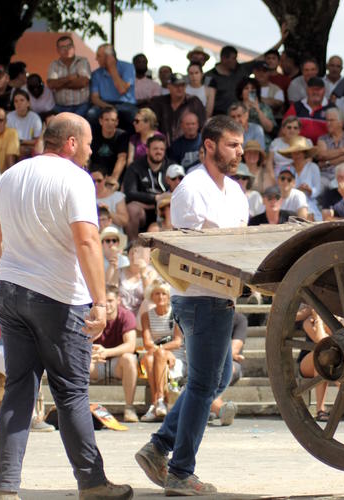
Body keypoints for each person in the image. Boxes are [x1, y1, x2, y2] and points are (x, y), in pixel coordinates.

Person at [0, 113, 133, 498]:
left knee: (19, 389)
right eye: (86, 143)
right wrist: (100, 302)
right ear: (69, 143)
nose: (89, 150)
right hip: (58, 297)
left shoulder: (11, 175)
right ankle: (93, 483)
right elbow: (87, 242)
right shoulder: (76, 178)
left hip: (11, 290)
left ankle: (5, 486)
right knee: (71, 392)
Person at [135, 115, 248, 496]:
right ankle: (180, 472)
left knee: (215, 379)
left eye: (241, 144)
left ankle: (158, 448)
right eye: (232, 144)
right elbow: (191, 250)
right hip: (200, 296)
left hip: (223, 298)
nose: (239, 151)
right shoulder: (190, 189)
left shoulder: (236, 191)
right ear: (209, 146)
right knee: (203, 384)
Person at [90, 285, 139, 423]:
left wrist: (106, 352)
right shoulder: (92, 315)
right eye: (104, 301)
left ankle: (129, 408)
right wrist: (90, 352)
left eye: (110, 300)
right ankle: (77, 409)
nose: (107, 304)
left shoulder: (126, 315)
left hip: (118, 364)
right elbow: (80, 341)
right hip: (96, 362)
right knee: (78, 360)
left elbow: (131, 345)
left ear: (118, 300)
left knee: (129, 359)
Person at [138, 281, 185, 423]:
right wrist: (161, 352)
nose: (160, 296)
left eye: (164, 293)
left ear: (169, 296)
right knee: (150, 359)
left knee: (154, 357)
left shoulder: (176, 313)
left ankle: (157, 402)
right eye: (157, 293)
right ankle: (159, 401)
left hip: (175, 355)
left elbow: (178, 342)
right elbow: (146, 342)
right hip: (156, 353)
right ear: (152, 296)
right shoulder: (146, 316)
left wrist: (162, 351)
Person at [123, 134, 168, 239]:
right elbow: (130, 193)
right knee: (132, 208)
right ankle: (133, 246)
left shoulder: (171, 166)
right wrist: (155, 198)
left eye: (162, 149)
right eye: (155, 148)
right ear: (147, 150)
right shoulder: (135, 167)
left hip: (165, 209)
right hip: (143, 212)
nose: (159, 152)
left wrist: (160, 202)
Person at [88, 44, 137, 134]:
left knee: (134, 116)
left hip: (125, 104)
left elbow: (122, 89)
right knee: (91, 114)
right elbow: (94, 98)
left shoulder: (128, 67)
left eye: (99, 56)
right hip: (104, 104)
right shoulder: (96, 73)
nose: (96, 59)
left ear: (108, 57)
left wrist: (112, 67)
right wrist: (109, 107)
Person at [148, 73, 207, 145]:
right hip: (163, 149)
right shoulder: (159, 103)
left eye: (182, 85)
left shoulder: (194, 102)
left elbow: (203, 125)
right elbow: (150, 125)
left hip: (187, 149)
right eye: (176, 86)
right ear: (168, 87)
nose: (180, 88)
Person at [47, 35, 92, 116]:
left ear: (74, 47)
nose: (66, 49)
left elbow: (83, 83)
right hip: (60, 107)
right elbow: (51, 84)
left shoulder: (82, 61)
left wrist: (60, 84)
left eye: (69, 46)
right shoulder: (54, 65)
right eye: (62, 47)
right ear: (58, 50)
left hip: (81, 106)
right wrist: (69, 78)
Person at [279, 138, 321, 220]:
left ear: (304, 153)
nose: (297, 155)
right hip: (290, 202)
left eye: (299, 153)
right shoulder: (286, 168)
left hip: (309, 203)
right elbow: (281, 186)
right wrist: (295, 190)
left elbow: (318, 189)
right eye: (294, 153)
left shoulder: (313, 167)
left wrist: (310, 190)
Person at [315, 107, 344, 189]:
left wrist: (327, 162)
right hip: (325, 175)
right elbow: (322, 155)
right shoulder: (322, 139)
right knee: (318, 189)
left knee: (338, 186)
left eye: (331, 120)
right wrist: (343, 150)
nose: (328, 123)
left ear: (340, 123)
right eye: (327, 120)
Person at [284, 77, 331, 144]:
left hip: (324, 149)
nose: (315, 92)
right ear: (307, 90)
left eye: (318, 89)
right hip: (299, 148)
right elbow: (284, 129)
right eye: (312, 89)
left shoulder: (331, 108)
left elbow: (337, 133)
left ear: (324, 91)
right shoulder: (296, 107)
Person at [89, 107, 129, 182]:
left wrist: (113, 178)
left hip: (113, 170)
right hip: (95, 169)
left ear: (117, 122)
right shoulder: (93, 134)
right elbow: (87, 156)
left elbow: (122, 158)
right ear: (101, 121)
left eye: (113, 120)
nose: (110, 123)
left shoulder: (122, 135)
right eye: (106, 120)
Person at [7, 89, 43, 159]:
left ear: (28, 103)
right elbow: (8, 139)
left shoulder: (35, 118)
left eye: (22, 100)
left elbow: (37, 140)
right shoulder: (9, 117)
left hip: (30, 147)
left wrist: (21, 141)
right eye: (16, 101)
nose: (19, 103)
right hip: (15, 148)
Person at [0, 108, 20, 173]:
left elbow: (10, 158)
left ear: (5, 121)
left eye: (0, 120)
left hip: (4, 175)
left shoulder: (12, 133)